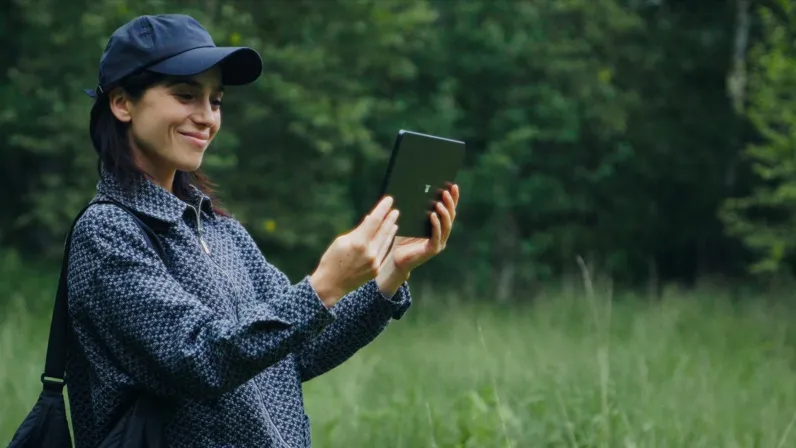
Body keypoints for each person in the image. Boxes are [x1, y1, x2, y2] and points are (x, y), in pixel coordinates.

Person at [65, 13, 459, 448]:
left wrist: (390, 275)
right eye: (185, 95)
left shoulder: (221, 231)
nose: (206, 117)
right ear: (122, 103)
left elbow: (295, 350)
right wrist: (324, 285)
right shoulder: (108, 232)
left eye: (216, 101)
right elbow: (199, 359)